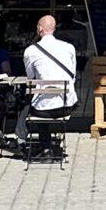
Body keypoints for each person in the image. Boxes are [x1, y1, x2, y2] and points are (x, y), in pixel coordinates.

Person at [17, 11, 80, 148]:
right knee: (42, 100)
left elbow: (30, 77)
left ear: (39, 29)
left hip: (43, 109)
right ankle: (47, 143)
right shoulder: (69, 48)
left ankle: (33, 143)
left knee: (30, 102)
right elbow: (73, 76)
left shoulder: (30, 51)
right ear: (54, 29)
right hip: (66, 106)